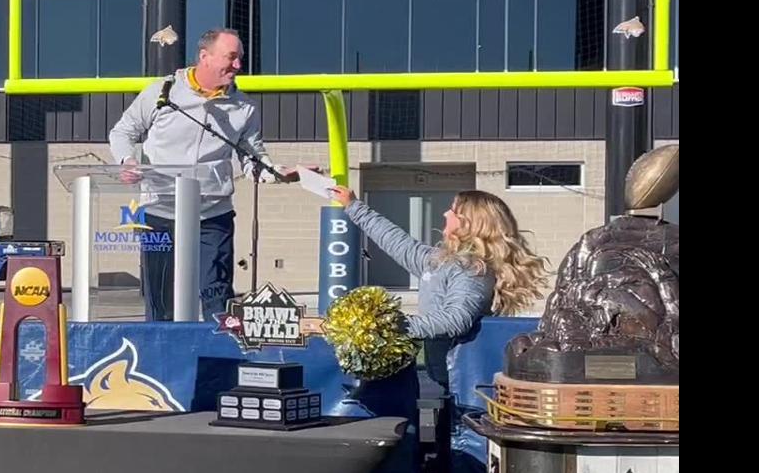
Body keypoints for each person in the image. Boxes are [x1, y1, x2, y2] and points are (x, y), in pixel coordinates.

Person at [109, 28, 306, 321]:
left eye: (240, 58)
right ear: (205, 57)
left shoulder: (245, 107)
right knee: (160, 299)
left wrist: (277, 173)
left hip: (213, 215)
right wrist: (127, 160)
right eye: (231, 57)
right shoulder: (162, 92)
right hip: (159, 211)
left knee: (216, 295)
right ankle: (160, 360)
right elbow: (123, 132)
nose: (238, 65)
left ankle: (217, 357)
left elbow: (253, 158)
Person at [329, 186, 549, 386]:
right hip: (447, 377)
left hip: (463, 383)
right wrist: (353, 206)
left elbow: (455, 320)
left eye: (453, 211)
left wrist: (387, 325)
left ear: (470, 223)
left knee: (458, 429)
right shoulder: (441, 261)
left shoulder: (473, 270)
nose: (446, 214)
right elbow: (397, 242)